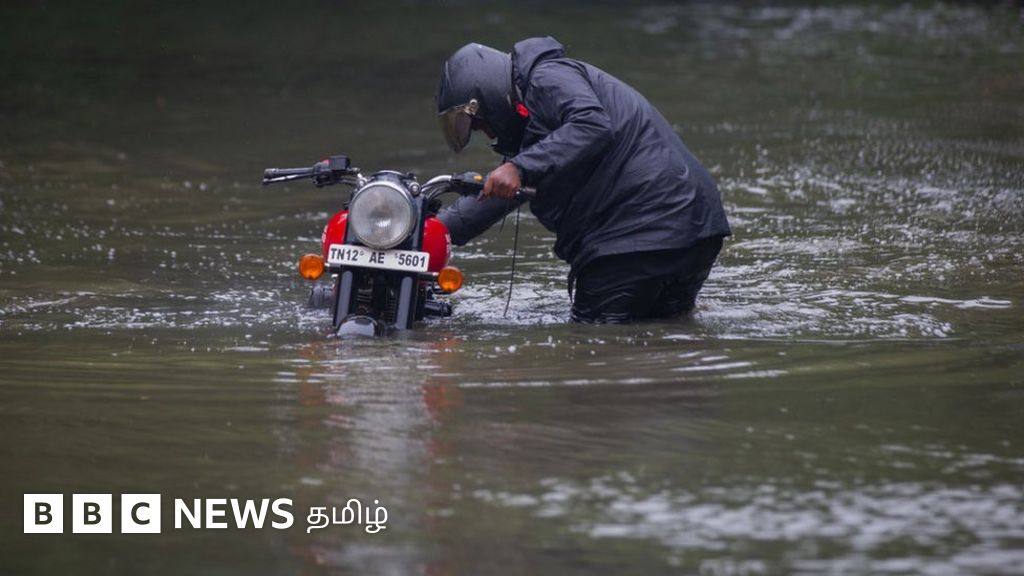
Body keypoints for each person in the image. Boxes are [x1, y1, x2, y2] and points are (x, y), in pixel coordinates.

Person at [435, 36, 731, 323]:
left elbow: (592, 125)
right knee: (666, 337)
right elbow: (494, 198)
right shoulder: (539, 130)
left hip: (638, 234)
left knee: (592, 344)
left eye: (481, 123)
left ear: (487, 95)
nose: (487, 134)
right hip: (693, 229)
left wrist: (519, 168)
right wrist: (435, 231)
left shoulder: (546, 76)